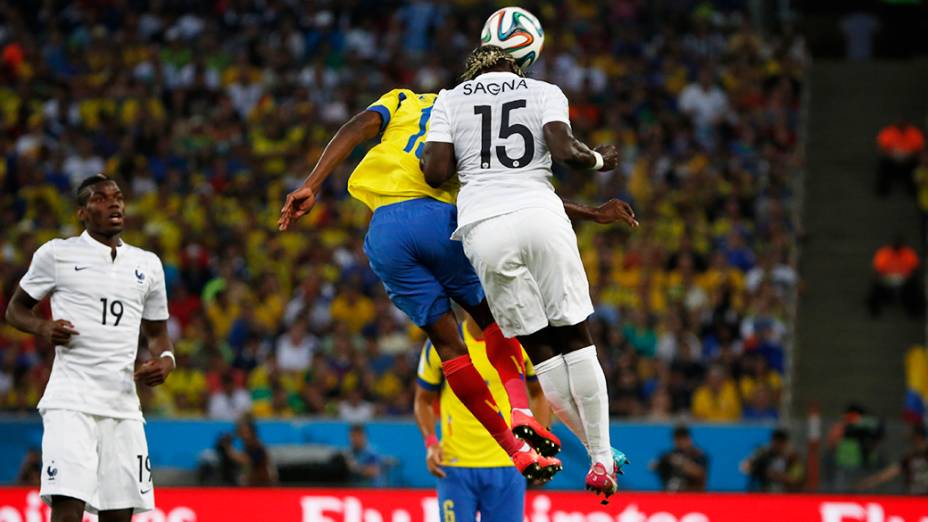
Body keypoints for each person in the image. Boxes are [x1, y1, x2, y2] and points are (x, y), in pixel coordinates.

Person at [278, 79, 634, 480]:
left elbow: (358, 125)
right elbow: (510, 190)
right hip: (439, 219)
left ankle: (514, 450)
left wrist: (312, 183)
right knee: (495, 321)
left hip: (384, 232)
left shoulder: (402, 101)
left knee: (449, 348)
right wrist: (592, 212)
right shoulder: (467, 119)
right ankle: (520, 408)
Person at [422, 45, 633, 499]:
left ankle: (601, 452)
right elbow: (566, 151)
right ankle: (600, 460)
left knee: (540, 352)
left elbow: (436, 173)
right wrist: (599, 160)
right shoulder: (542, 91)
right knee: (575, 339)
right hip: (541, 215)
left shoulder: (449, 99)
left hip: (483, 228)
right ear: (518, 63)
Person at [4, 174, 174, 521]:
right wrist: (43, 326)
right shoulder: (57, 254)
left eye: (118, 197)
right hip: (71, 401)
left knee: (118, 516)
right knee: (68, 510)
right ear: (82, 212)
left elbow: (158, 333)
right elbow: (15, 309)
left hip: (123, 405)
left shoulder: (147, 264)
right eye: (100, 198)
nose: (113, 203)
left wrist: (167, 359)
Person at [415, 314, 551, 521]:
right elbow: (422, 400)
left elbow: (539, 394)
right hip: (455, 465)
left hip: (509, 463)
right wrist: (431, 443)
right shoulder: (442, 341)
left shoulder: (520, 341)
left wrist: (538, 445)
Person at [857, 423, 928, 494]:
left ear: (918, 436)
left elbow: (890, 472)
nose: (906, 435)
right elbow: (890, 472)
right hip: (913, 497)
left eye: (910, 433)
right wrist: (869, 482)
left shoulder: (919, 455)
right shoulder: (910, 457)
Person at [866, 236, 924, 318]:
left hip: (905, 280)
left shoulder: (909, 253)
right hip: (887, 279)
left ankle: (914, 311)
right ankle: (874, 311)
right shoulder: (884, 253)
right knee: (875, 289)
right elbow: (877, 269)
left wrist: (908, 277)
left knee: (915, 289)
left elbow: (915, 269)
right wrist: (882, 278)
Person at [651, 425, 708, 492]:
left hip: (692, 493)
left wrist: (682, 463)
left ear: (689, 439)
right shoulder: (669, 454)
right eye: (677, 439)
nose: (679, 443)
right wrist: (658, 465)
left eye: (682, 439)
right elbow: (654, 466)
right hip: (671, 492)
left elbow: (700, 474)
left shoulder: (698, 454)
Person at [876, 119, 924, 196]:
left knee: (916, 171)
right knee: (884, 167)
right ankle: (882, 190)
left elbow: (920, 150)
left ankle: (912, 189)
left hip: (909, 160)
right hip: (892, 159)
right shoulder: (888, 132)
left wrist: (909, 155)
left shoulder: (915, 133)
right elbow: (881, 149)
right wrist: (893, 155)